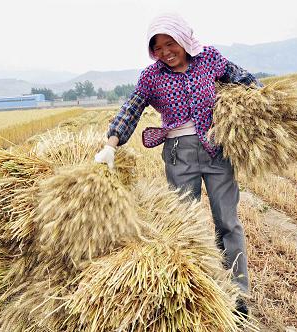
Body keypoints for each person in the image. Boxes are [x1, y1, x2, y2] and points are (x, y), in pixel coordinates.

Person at [94, 13, 262, 317]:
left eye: (169, 43)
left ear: (183, 38)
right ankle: (199, 295)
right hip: (178, 154)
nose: (165, 52)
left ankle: (238, 297)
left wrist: (267, 107)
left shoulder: (209, 58)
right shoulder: (151, 76)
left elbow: (247, 82)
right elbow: (131, 108)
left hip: (217, 149)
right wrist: (111, 144)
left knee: (228, 223)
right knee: (185, 226)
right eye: (157, 48)